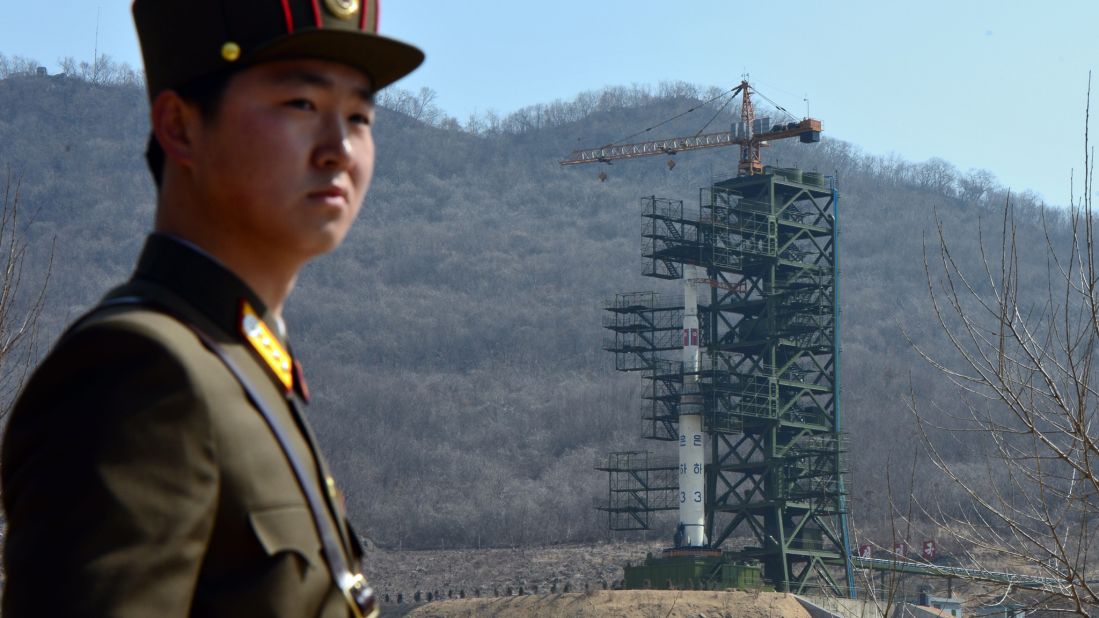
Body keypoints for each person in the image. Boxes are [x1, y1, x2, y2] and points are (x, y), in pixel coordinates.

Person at [1, 1, 422, 616]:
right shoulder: (138, 373)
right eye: (300, 104)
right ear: (180, 126)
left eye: (359, 115)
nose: (339, 148)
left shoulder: (240, 368)